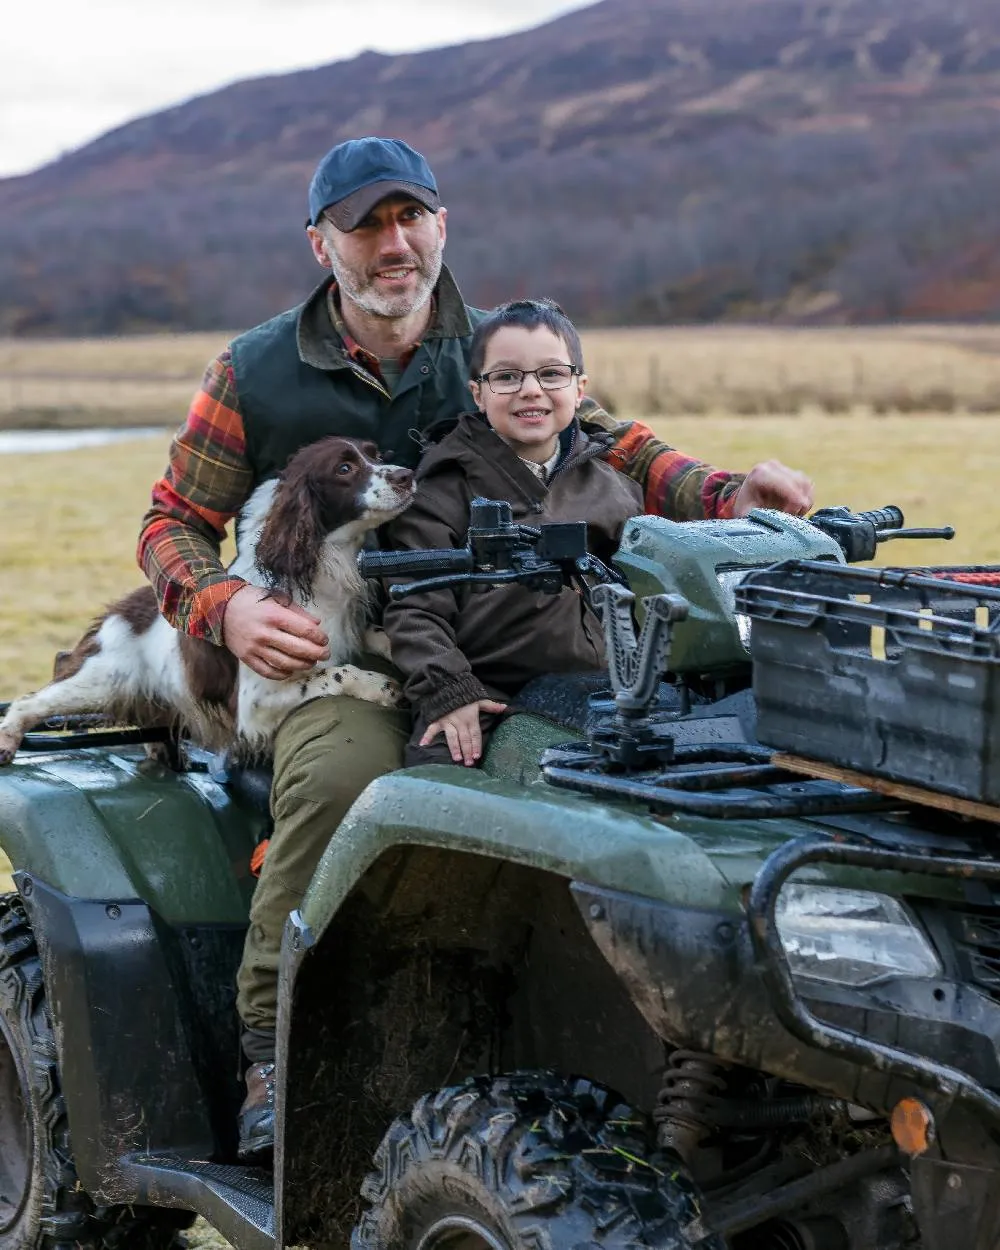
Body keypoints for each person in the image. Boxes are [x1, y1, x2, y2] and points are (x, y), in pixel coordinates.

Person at [136, 134, 813, 1162]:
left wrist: (726, 496)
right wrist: (223, 604)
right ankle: (273, 1048)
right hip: (341, 656)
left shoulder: (489, 344)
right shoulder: (257, 369)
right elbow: (171, 521)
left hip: (500, 640)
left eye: (411, 217)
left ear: (442, 226)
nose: (393, 242)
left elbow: (614, 441)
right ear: (322, 245)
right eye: (365, 224)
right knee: (340, 782)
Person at [382, 298, 647, 768]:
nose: (531, 391)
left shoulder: (613, 489)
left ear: (579, 387)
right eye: (506, 377)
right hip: (487, 690)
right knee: (440, 773)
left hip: (603, 688)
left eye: (550, 374)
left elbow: (644, 590)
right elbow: (414, 609)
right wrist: (450, 691)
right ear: (478, 393)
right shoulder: (442, 490)